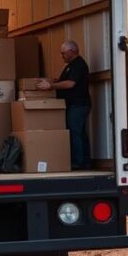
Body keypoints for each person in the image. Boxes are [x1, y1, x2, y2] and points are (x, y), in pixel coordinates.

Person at [36, 40, 91, 170]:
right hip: (74, 105)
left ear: (73, 51)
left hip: (78, 105)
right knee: (80, 133)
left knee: (74, 133)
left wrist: (51, 86)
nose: (62, 56)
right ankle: (85, 162)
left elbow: (70, 83)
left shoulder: (79, 65)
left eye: (64, 53)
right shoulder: (70, 66)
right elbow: (62, 81)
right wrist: (50, 81)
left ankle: (78, 163)